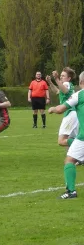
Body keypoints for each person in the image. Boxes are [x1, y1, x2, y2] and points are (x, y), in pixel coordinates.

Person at [48, 71, 84, 199]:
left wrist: (52, 109)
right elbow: (58, 91)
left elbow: (60, 109)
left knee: (69, 160)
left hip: (82, 135)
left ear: (80, 83)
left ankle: (71, 192)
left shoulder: (78, 94)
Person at [46, 68, 78, 147]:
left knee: (61, 141)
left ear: (69, 78)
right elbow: (57, 91)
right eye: (60, 75)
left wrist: (56, 78)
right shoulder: (66, 85)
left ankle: (80, 144)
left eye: (63, 76)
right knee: (69, 139)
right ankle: (74, 158)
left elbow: (65, 90)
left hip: (70, 114)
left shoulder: (66, 84)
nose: (61, 77)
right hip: (73, 114)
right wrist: (50, 82)